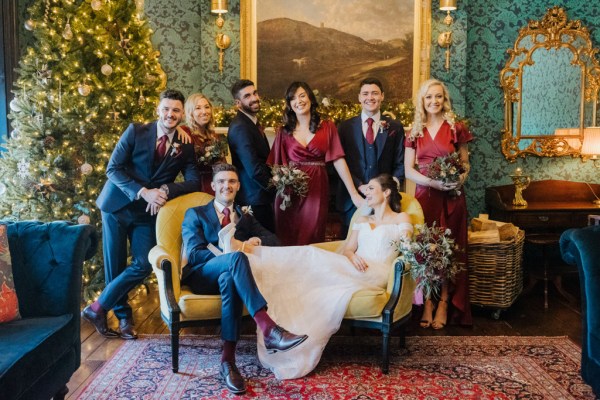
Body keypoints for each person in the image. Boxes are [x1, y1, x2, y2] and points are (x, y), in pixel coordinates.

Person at [245, 173, 413, 379]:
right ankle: (254, 262)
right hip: (354, 267)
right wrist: (352, 257)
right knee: (309, 264)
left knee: (312, 255)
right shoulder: (362, 218)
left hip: (378, 271)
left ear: (386, 192)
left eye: (371, 188)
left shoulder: (401, 218)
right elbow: (349, 249)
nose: (365, 192)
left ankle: (256, 257)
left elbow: (408, 249)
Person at [83, 89, 201, 340]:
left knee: (143, 263)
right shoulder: (136, 131)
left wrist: (167, 189)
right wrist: (143, 191)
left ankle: (97, 308)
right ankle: (124, 318)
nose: (170, 114)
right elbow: (112, 169)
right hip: (117, 206)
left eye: (176, 110)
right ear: (158, 109)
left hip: (148, 214)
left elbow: (194, 182)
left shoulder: (185, 144)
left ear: (182, 114)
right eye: (166, 109)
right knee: (114, 264)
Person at [181, 163, 307, 394]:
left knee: (230, 277)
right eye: (221, 181)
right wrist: (232, 248)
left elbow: (274, 241)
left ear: (238, 186)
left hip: (229, 276)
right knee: (236, 259)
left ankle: (227, 362)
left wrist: (256, 241)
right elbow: (195, 253)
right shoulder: (196, 214)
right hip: (202, 273)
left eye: (231, 181)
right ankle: (268, 328)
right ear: (212, 186)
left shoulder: (245, 215)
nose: (226, 186)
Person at [404, 78, 473, 328]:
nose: (434, 101)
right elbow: (408, 170)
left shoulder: (456, 128)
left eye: (438, 96)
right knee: (427, 249)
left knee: (451, 248)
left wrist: (458, 180)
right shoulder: (415, 130)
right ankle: (427, 303)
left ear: (445, 100)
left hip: (453, 198)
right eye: (429, 97)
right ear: (422, 101)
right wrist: (433, 184)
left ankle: (444, 302)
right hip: (426, 197)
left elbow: (465, 164)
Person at [267, 81, 363, 245]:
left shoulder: (327, 127)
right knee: (287, 239)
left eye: (302, 95)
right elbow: (277, 167)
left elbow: (338, 159)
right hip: (290, 193)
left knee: (311, 236)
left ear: (311, 98)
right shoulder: (283, 132)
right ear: (290, 104)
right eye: (293, 98)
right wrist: (283, 182)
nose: (299, 101)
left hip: (317, 188)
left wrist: (354, 194)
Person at [337, 77, 406, 237]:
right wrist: (359, 186)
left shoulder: (395, 127)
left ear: (382, 96)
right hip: (352, 200)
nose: (370, 97)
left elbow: (400, 163)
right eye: (365, 93)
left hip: (384, 203)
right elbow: (340, 162)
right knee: (349, 246)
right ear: (359, 97)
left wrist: (387, 190)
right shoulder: (345, 127)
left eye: (375, 93)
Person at [227, 79, 275, 232]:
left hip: (260, 196)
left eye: (254, 93)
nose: (254, 98)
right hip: (254, 198)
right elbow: (254, 169)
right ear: (238, 102)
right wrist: (276, 188)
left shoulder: (251, 122)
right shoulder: (240, 127)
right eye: (247, 96)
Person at [182, 92, 227, 195]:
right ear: (190, 112)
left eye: (207, 107)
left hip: (218, 186)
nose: (204, 111)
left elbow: (223, 162)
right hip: (198, 188)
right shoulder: (185, 132)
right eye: (198, 108)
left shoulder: (213, 134)